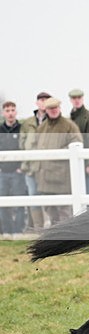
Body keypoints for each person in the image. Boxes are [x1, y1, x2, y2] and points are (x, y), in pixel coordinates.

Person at [33, 97, 83, 225]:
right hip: (45, 178)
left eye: (55, 108)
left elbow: (77, 144)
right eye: (50, 108)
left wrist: (60, 153)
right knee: (50, 210)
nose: (53, 111)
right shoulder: (42, 128)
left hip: (62, 177)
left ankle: (66, 239)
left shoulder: (69, 126)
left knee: (64, 211)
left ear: (59, 108)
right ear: (46, 110)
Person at [19, 92, 50, 230]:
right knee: (33, 196)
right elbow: (22, 143)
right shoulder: (28, 123)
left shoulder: (53, 121)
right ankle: (37, 228)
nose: (43, 103)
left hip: (48, 168)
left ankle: (49, 227)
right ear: (37, 103)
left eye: (46, 100)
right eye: (41, 100)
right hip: (31, 167)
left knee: (48, 196)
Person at [0, 100, 27, 237]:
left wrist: (21, 167)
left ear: (16, 112)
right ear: (3, 113)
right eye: (7, 110)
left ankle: (18, 231)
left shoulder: (22, 129)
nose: (10, 113)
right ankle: (7, 230)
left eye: (12, 110)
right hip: (2, 172)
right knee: (2, 202)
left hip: (17, 172)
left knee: (19, 202)